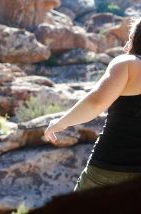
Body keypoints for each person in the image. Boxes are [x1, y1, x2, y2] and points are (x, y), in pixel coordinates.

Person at [44, 18, 141, 191]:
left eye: (130, 38)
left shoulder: (128, 64)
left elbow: (96, 102)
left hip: (109, 167)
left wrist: (60, 123)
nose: (126, 45)